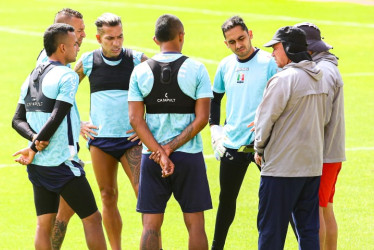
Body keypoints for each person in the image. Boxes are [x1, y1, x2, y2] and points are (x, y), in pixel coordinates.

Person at [12, 23, 106, 249]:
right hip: (62, 163)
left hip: (38, 166)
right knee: (92, 219)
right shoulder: (67, 76)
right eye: (74, 44)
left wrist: (33, 140)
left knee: (43, 225)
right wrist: (35, 146)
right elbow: (57, 116)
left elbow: (16, 120)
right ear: (62, 48)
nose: (77, 48)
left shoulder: (31, 76)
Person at [128, 14, 213, 250]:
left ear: (155, 40)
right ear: (181, 36)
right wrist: (170, 149)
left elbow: (135, 119)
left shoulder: (140, 71)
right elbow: (203, 118)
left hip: (152, 157)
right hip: (189, 156)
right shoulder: (197, 69)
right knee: (195, 223)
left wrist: (160, 152)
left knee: (151, 225)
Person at [72, 13, 148, 250]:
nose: (117, 43)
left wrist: (147, 125)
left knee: (145, 198)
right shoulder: (88, 61)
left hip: (131, 141)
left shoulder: (137, 60)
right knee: (107, 196)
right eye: (110, 38)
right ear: (98, 38)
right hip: (100, 141)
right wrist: (79, 123)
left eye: (120, 36)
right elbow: (63, 93)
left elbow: (161, 90)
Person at [254, 26, 328, 250]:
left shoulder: (283, 80)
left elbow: (265, 121)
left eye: (276, 48)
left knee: (270, 232)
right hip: (311, 167)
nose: (272, 53)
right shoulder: (320, 78)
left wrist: (259, 148)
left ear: (288, 48)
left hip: (282, 170)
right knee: (308, 231)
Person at [209, 16, 278, 250]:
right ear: (226, 44)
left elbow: (281, 100)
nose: (238, 45)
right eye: (232, 42)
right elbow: (215, 98)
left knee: (278, 201)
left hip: (265, 145)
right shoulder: (225, 65)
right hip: (233, 145)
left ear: (250, 34)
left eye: (241, 38)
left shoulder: (269, 62)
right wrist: (215, 129)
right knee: (226, 202)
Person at [32, 8, 88, 249]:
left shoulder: (46, 61)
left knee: (52, 218)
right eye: (78, 30)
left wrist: (77, 122)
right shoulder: (51, 64)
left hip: (49, 151)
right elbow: (51, 110)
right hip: (58, 154)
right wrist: (38, 140)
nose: (83, 35)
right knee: (90, 217)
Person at [295, 22, 345, 250]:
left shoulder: (322, 72)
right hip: (331, 152)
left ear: (310, 49)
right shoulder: (328, 66)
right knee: (325, 208)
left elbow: (319, 114)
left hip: (322, 154)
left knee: (315, 212)